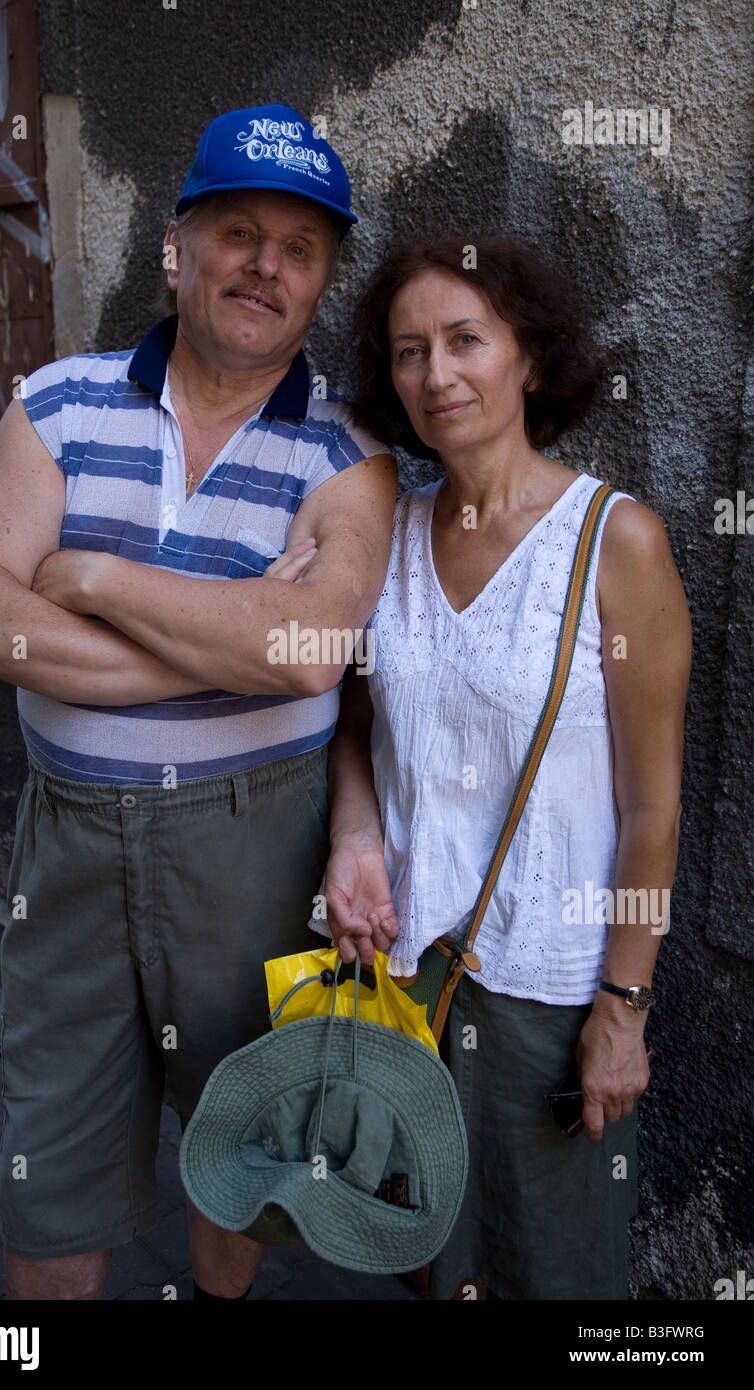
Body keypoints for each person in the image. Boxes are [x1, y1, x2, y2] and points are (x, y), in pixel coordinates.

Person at [0, 103, 396, 1301]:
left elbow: (307, 649)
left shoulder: (350, 450)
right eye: (238, 232)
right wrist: (231, 634)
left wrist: (88, 580)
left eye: (298, 251)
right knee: (48, 1161)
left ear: (321, 282)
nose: (266, 265)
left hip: (260, 840)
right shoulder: (54, 402)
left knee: (239, 1140)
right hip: (74, 838)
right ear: (175, 248)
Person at [320, 234, 691, 1299]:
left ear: (527, 357)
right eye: (405, 351)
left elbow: (653, 804)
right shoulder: (382, 530)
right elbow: (353, 723)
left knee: (560, 1276)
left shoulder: (610, 542)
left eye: (463, 340)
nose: (434, 375)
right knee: (433, 1267)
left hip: (549, 997)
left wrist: (621, 1007)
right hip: (407, 983)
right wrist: (354, 837)